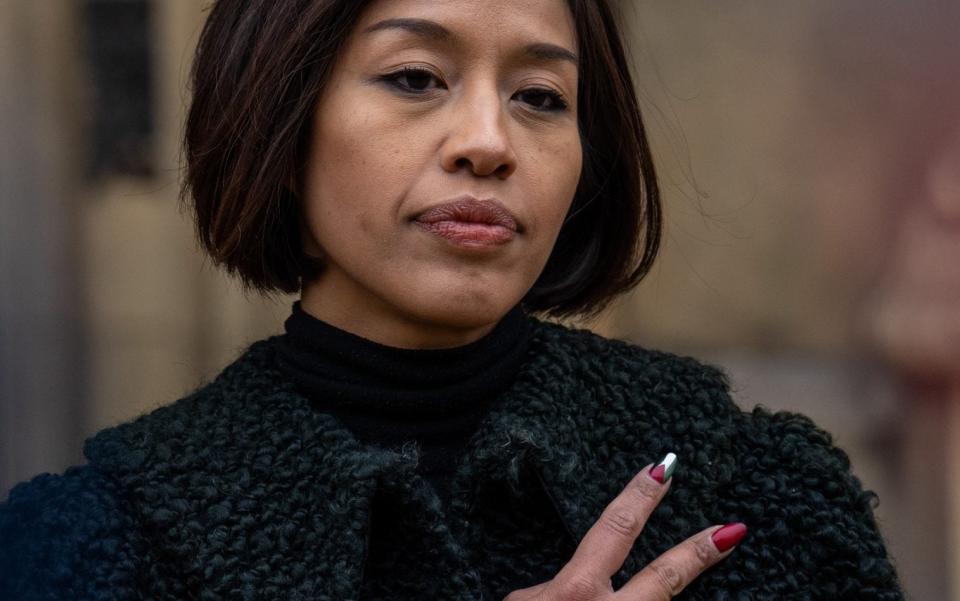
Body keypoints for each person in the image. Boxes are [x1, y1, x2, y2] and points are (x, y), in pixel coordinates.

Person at [0, 1, 905, 600]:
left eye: (541, 96)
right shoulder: (89, 550)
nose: (489, 141)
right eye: (414, 78)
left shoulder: (755, 493)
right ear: (281, 116)